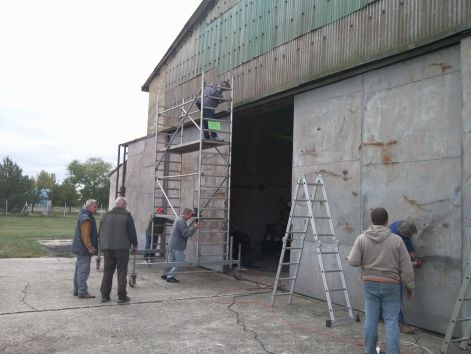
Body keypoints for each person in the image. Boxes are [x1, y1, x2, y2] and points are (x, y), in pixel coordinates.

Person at [348, 208, 414, 354]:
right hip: (391, 285)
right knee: (391, 322)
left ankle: (370, 351)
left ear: (372, 221)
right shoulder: (397, 240)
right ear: (386, 221)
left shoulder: (362, 238)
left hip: (369, 283)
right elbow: (407, 266)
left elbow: (353, 261)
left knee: (371, 320)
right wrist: (409, 286)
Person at [98, 197, 138, 304]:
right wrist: (135, 245)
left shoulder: (105, 215)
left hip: (107, 248)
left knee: (107, 271)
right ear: (124, 205)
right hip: (122, 248)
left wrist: (102, 245)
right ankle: (121, 296)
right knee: (121, 272)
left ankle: (104, 295)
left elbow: (100, 231)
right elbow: (132, 233)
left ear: (116, 204)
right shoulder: (127, 215)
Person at [389, 220, 418, 334]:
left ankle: (390, 319)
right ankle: (399, 323)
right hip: (393, 272)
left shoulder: (402, 225)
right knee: (397, 298)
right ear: (403, 233)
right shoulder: (394, 236)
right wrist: (410, 260)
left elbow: (408, 242)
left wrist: (413, 253)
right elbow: (403, 261)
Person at [161, 208, 199, 283]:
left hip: (172, 243)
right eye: (190, 216)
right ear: (186, 214)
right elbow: (185, 233)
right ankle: (170, 276)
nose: (190, 217)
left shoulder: (178, 219)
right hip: (178, 245)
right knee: (179, 262)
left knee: (169, 260)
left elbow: (184, 229)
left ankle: (165, 274)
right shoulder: (181, 221)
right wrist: (194, 228)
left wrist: (192, 225)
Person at [72, 199, 99, 299]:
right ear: (89, 206)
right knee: (83, 271)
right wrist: (90, 247)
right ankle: (82, 291)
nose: (97, 208)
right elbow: (85, 235)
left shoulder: (83, 215)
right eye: (95, 207)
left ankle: (77, 289)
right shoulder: (86, 218)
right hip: (84, 250)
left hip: (80, 249)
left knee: (78, 270)